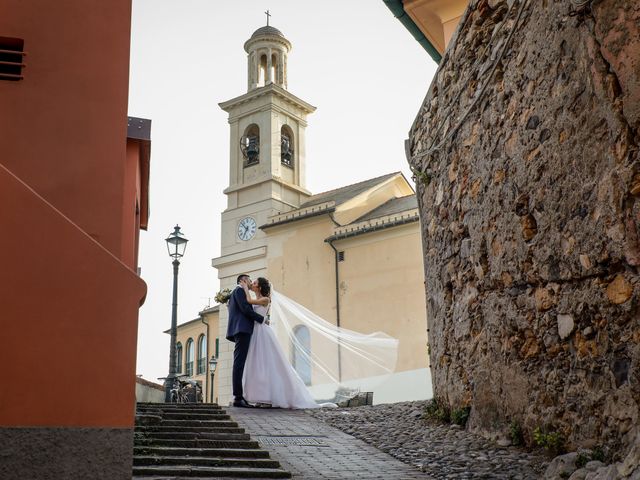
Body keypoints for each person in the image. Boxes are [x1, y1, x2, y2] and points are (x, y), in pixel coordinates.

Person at [240, 277, 327, 409]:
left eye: (255, 283)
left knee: (267, 363)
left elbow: (248, 301)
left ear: (260, 287)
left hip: (263, 333)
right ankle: (260, 395)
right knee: (256, 364)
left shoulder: (265, 299)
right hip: (255, 332)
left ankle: (270, 396)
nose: (253, 284)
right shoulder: (259, 299)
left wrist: (245, 288)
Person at [226, 274, 265, 408]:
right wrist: (262, 319)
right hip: (242, 330)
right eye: (249, 280)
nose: (250, 282)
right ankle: (238, 397)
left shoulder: (237, 292)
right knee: (239, 363)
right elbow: (246, 309)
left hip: (240, 330)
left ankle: (240, 396)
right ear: (242, 281)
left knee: (240, 363)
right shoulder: (239, 291)